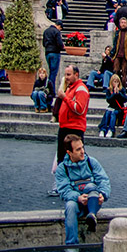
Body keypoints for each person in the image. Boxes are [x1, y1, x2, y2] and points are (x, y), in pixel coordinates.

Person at [56, 134, 110, 252]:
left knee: (91, 186)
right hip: (78, 202)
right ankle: (72, 250)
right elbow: (64, 190)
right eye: (78, 149)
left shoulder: (91, 162)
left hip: (93, 199)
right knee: (70, 205)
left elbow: (104, 180)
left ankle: (92, 215)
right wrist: (78, 197)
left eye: (82, 148)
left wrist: (103, 194)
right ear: (69, 152)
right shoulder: (62, 169)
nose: (82, 152)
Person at [51, 66, 88, 197]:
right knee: (62, 157)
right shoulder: (71, 88)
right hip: (65, 126)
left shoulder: (81, 89)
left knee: (77, 157)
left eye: (68, 74)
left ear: (76, 75)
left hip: (74, 127)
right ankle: (61, 185)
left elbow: (79, 109)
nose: (66, 77)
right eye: (65, 74)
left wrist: (65, 97)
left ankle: (80, 184)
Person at [109, 17, 127, 83]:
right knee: (116, 71)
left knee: (124, 73)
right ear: (119, 24)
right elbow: (114, 43)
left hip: (126, 55)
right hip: (117, 54)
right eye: (122, 23)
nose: (123, 24)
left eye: (124, 23)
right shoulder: (117, 32)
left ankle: (123, 88)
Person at [43, 19, 65, 90]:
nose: (60, 29)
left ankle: (48, 87)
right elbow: (59, 43)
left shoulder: (46, 31)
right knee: (53, 73)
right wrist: (63, 47)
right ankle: (51, 89)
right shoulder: (56, 31)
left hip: (47, 53)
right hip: (55, 53)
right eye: (60, 28)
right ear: (58, 26)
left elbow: (44, 43)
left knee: (50, 71)